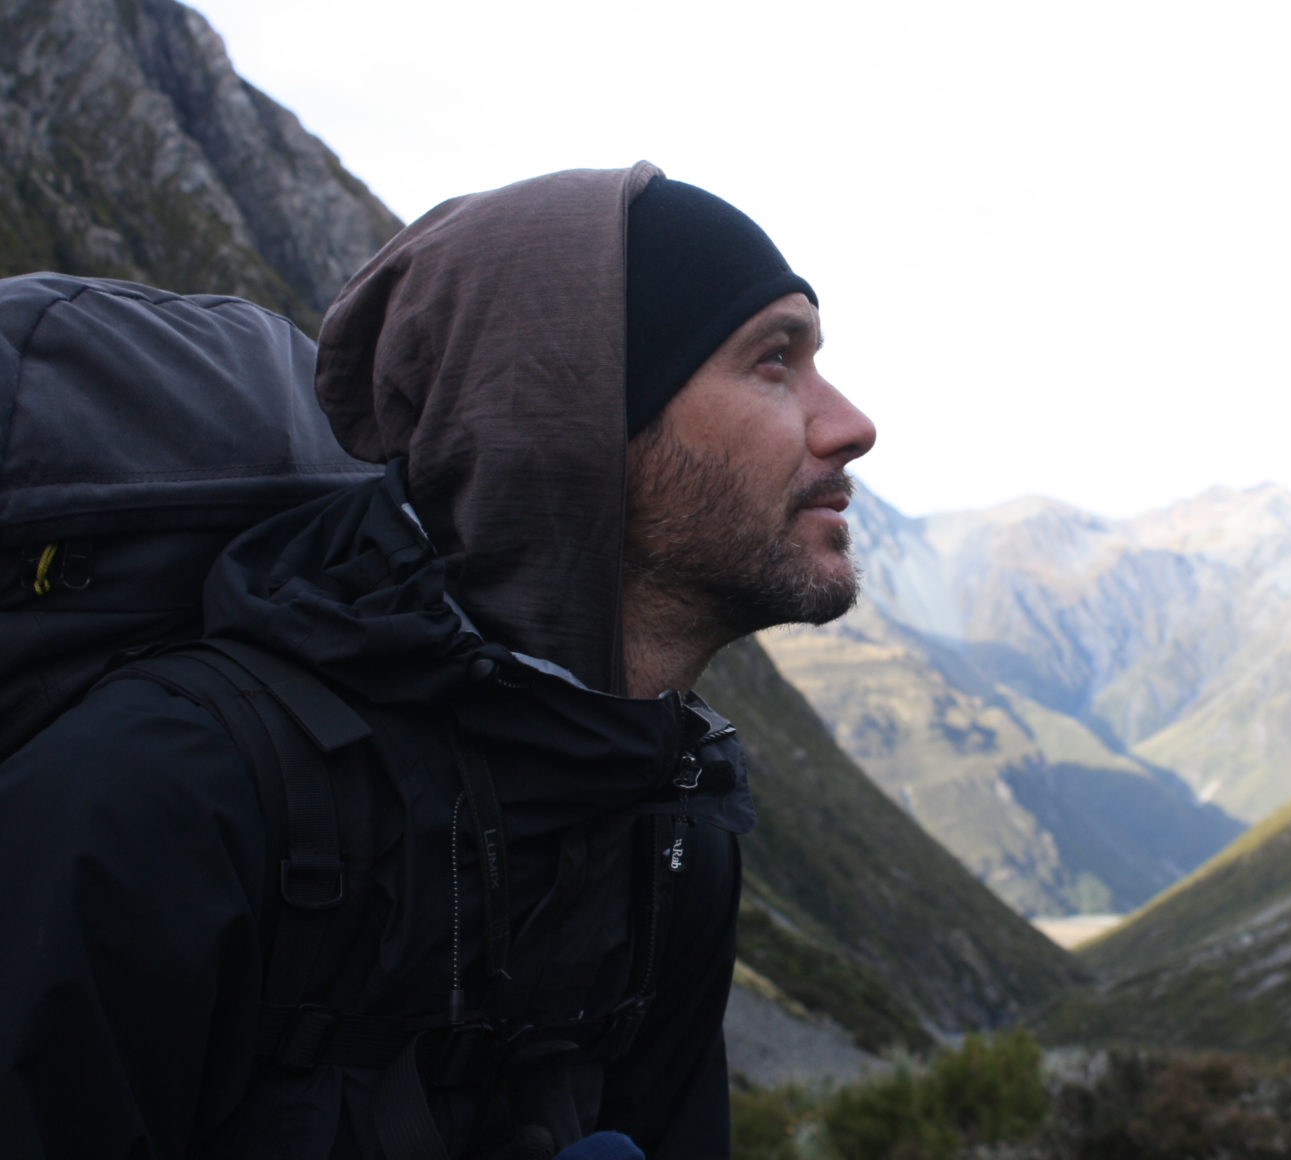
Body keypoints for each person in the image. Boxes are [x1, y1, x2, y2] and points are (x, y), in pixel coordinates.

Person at [0, 163, 876, 1159]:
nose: (852, 424)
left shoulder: (675, 835)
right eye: (774, 361)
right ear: (572, 423)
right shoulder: (155, 798)